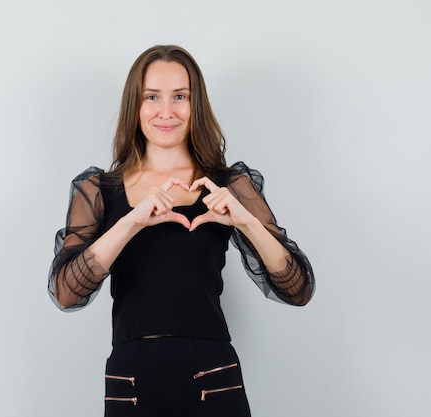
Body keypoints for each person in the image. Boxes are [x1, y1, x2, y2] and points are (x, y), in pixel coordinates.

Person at [48, 44, 315, 417]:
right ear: (135, 106)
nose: (166, 111)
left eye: (180, 96)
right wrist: (131, 221)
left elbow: (298, 289)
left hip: (211, 373)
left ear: (195, 105)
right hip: (132, 381)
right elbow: (65, 292)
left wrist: (248, 223)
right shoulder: (100, 190)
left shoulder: (227, 184)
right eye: (152, 96)